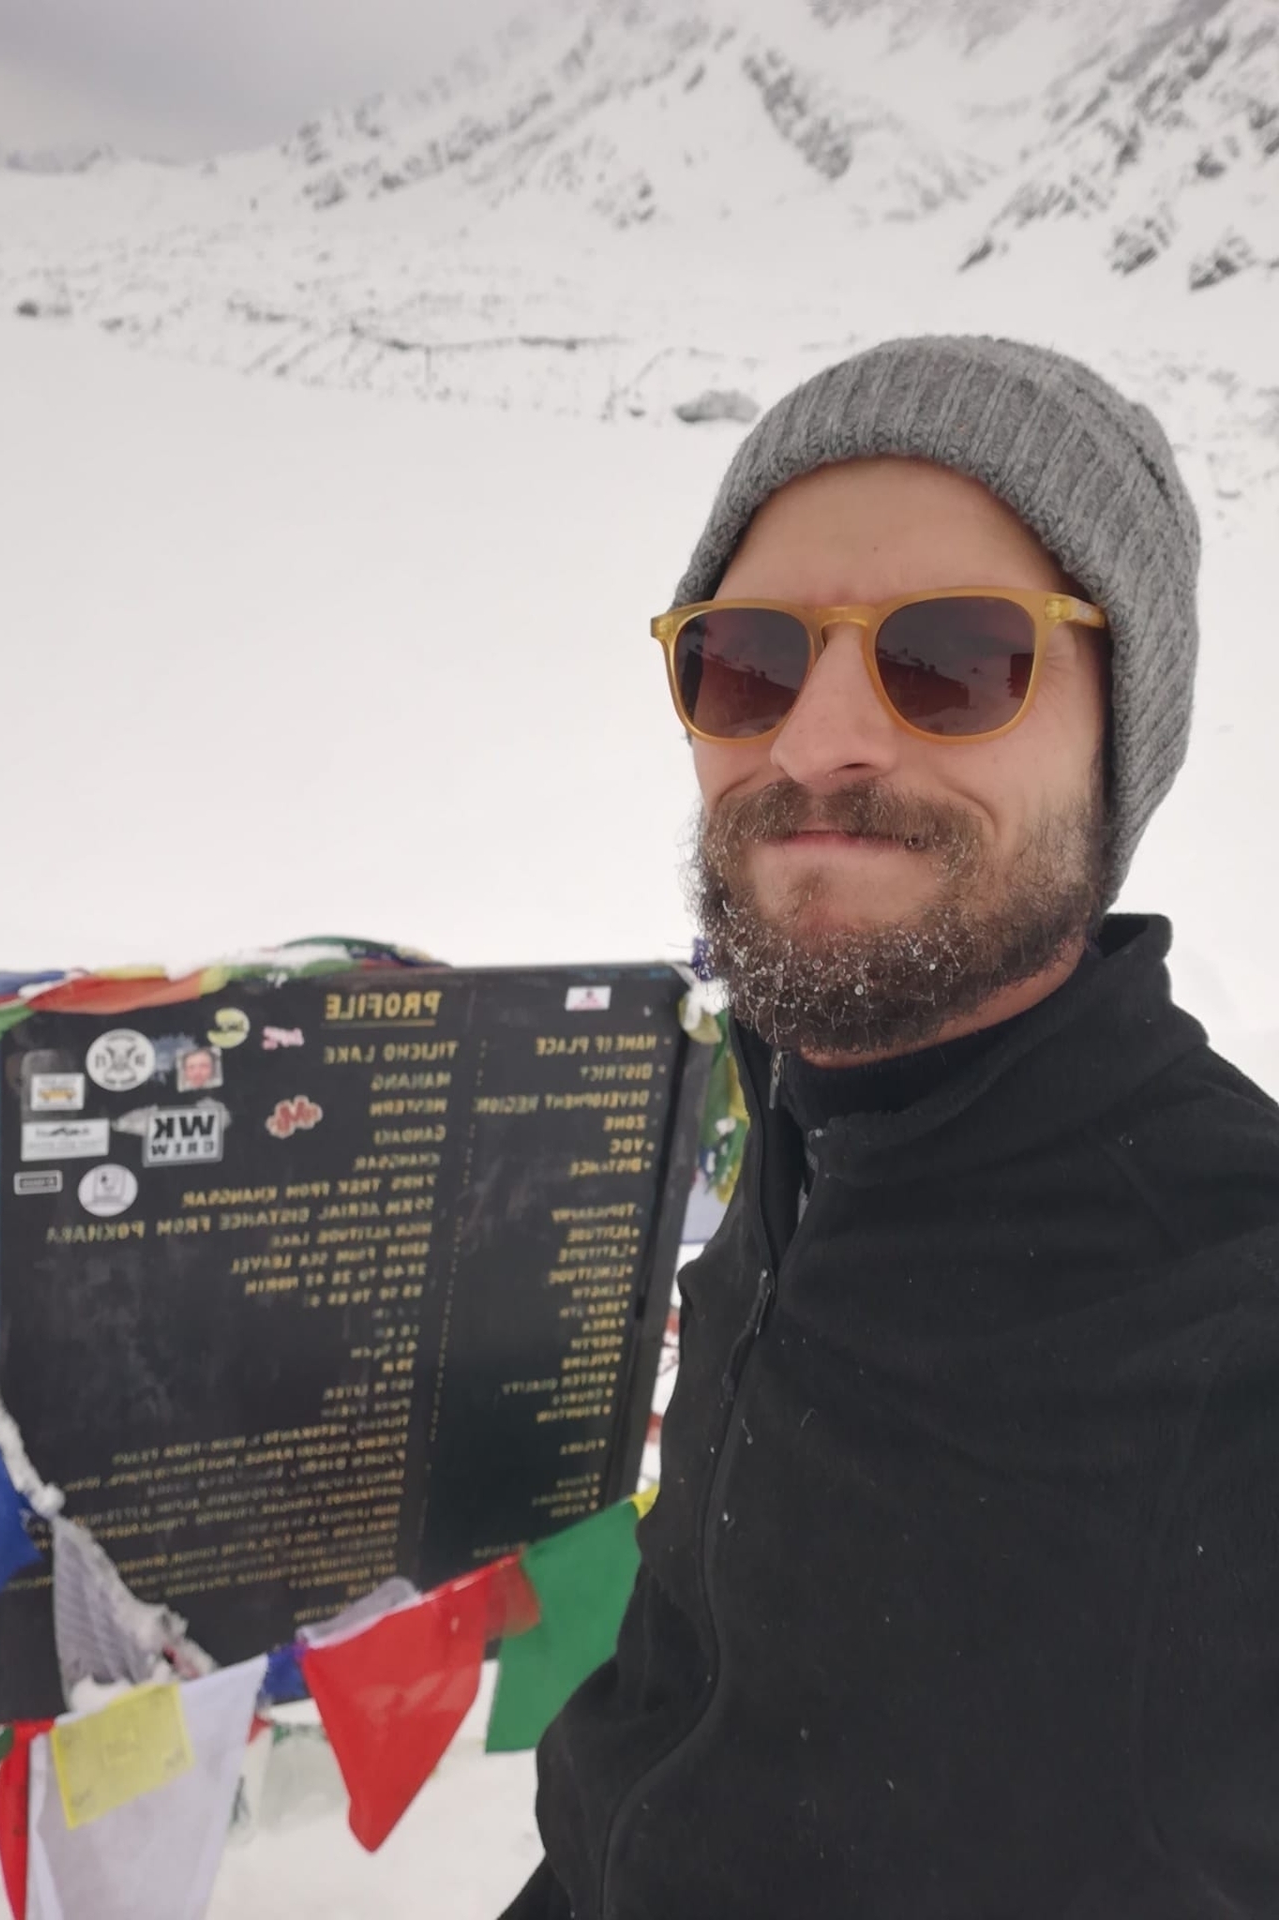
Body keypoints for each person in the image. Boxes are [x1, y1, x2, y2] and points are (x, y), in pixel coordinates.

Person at [500, 336, 1279, 1918]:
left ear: (1117, 743)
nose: (814, 743)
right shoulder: (794, 1142)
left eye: (955, 660)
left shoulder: (1232, 1329)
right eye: (748, 663)